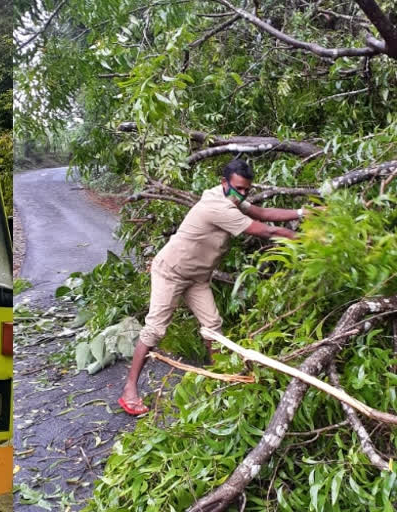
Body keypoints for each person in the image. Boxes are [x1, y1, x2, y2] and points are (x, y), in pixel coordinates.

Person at [118, 159, 312, 416]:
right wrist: (307, 238)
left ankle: (221, 379)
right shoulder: (217, 206)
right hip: (171, 272)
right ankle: (129, 390)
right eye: (238, 189)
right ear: (224, 183)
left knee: (213, 328)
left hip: (197, 277)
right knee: (155, 329)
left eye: (246, 190)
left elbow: (263, 213)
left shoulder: (230, 197)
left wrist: (300, 214)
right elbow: (264, 230)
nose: (242, 194)